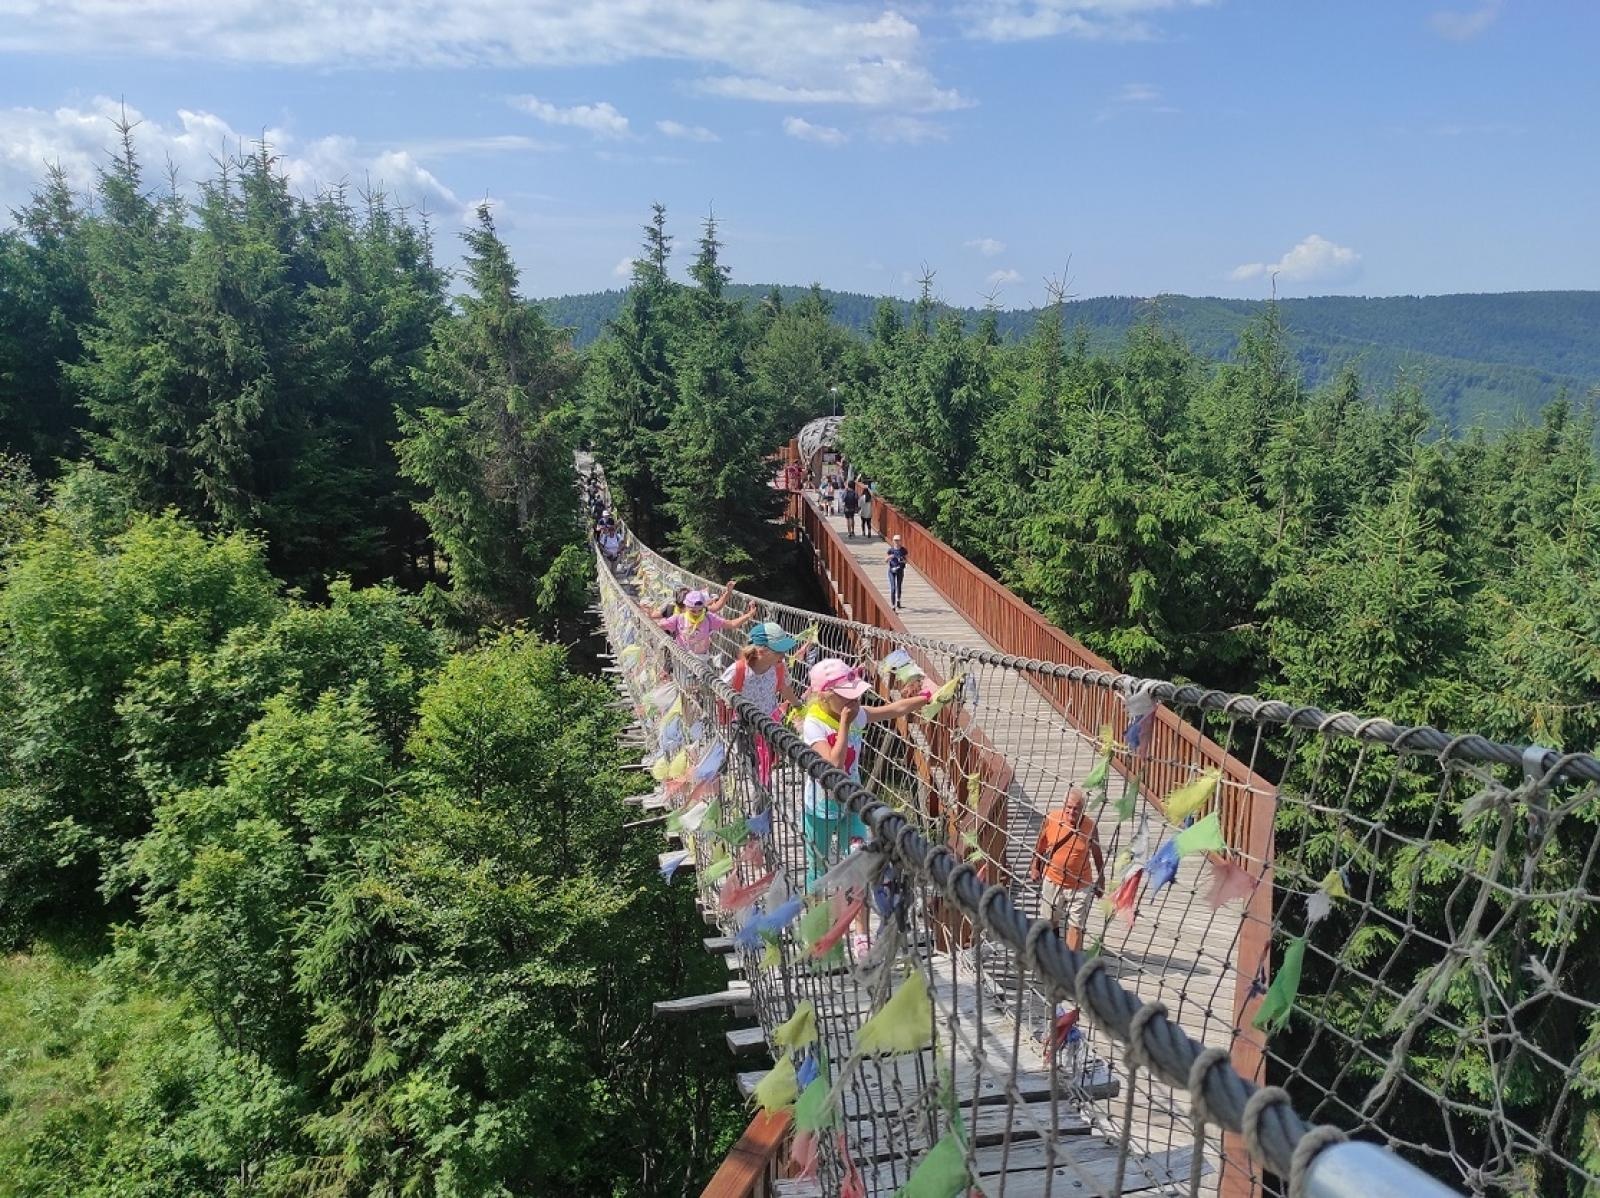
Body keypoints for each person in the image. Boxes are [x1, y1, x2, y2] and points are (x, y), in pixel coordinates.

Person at [799, 659, 929, 930]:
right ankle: (817, 925)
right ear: (824, 697)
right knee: (818, 868)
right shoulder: (814, 724)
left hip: (852, 805)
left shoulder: (856, 713)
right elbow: (833, 766)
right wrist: (844, 725)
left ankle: (861, 934)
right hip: (820, 809)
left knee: (859, 866)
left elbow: (894, 709)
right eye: (847, 696)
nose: (855, 701)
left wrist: (926, 698)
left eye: (857, 695)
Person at [1029, 788, 1105, 952]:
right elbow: (1040, 845)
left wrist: (1101, 880)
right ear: (1064, 806)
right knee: (1050, 921)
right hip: (1053, 879)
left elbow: (1097, 854)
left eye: (1076, 808)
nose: (1072, 811)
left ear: (1083, 809)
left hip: (1080, 884)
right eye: (1069, 807)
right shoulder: (1052, 818)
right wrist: (1035, 866)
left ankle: (1070, 962)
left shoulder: (1090, 827)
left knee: (1076, 926)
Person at [722, 622, 802, 717]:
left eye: (784, 651)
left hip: (769, 721)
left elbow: (785, 688)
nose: (783, 655)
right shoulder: (738, 670)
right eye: (778, 651)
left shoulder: (779, 667)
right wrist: (727, 700)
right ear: (761, 652)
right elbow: (720, 690)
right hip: (742, 722)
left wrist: (798, 705)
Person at [657, 588, 755, 658]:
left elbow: (732, 624)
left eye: (700, 610)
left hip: (701, 658)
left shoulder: (708, 617)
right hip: (682, 657)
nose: (697, 613)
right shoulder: (678, 618)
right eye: (693, 611)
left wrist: (748, 615)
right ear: (686, 607)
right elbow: (660, 625)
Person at [886, 534, 908, 611]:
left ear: (900, 541)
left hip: (900, 570)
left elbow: (906, 561)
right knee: (893, 588)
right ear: (893, 541)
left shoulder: (903, 550)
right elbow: (885, 560)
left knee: (899, 586)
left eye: (898, 540)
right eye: (895, 540)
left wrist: (902, 560)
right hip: (891, 570)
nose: (896, 542)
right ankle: (893, 606)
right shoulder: (890, 550)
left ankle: (898, 600)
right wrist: (889, 557)